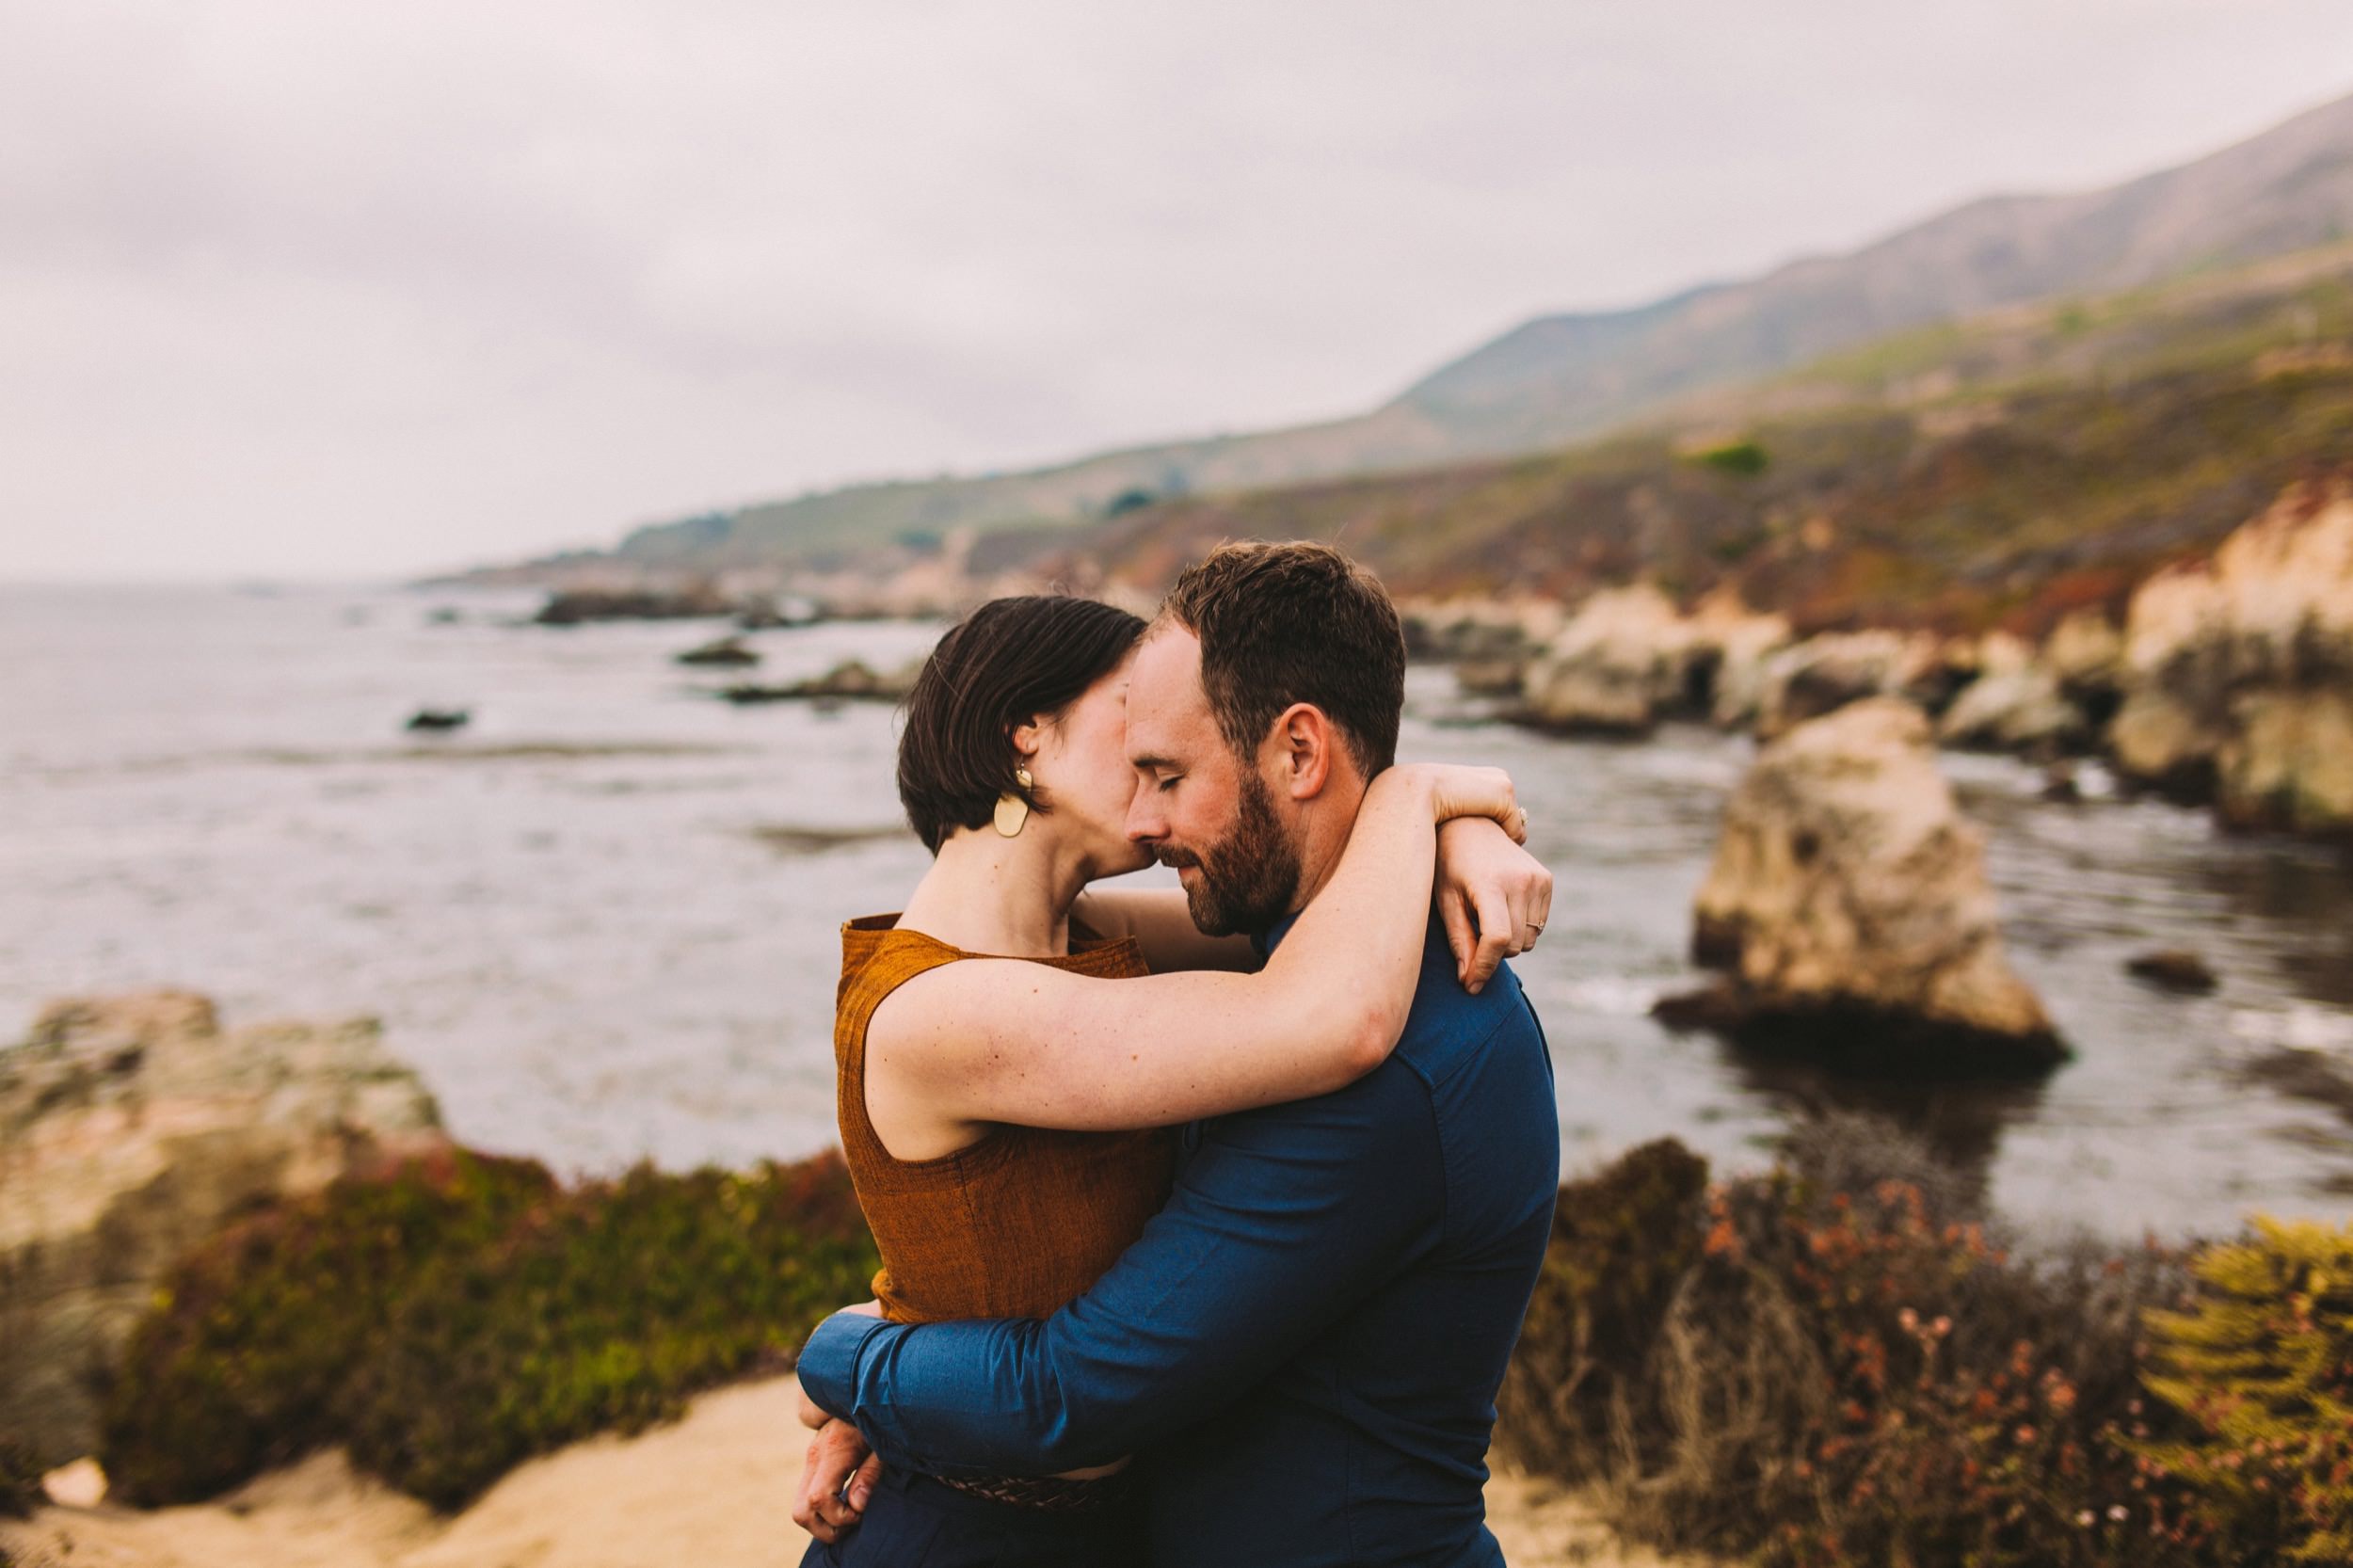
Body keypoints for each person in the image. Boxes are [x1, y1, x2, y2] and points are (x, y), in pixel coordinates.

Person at [797, 543, 1563, 1568]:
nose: (1147, 810)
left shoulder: (1344, 1035)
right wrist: (1426, 804)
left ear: (1295, 753)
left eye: (1165, 765)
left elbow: (1321, 980)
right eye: (1132, 746)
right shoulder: (992, 987)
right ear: (1024, 738)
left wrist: (846, 1359)